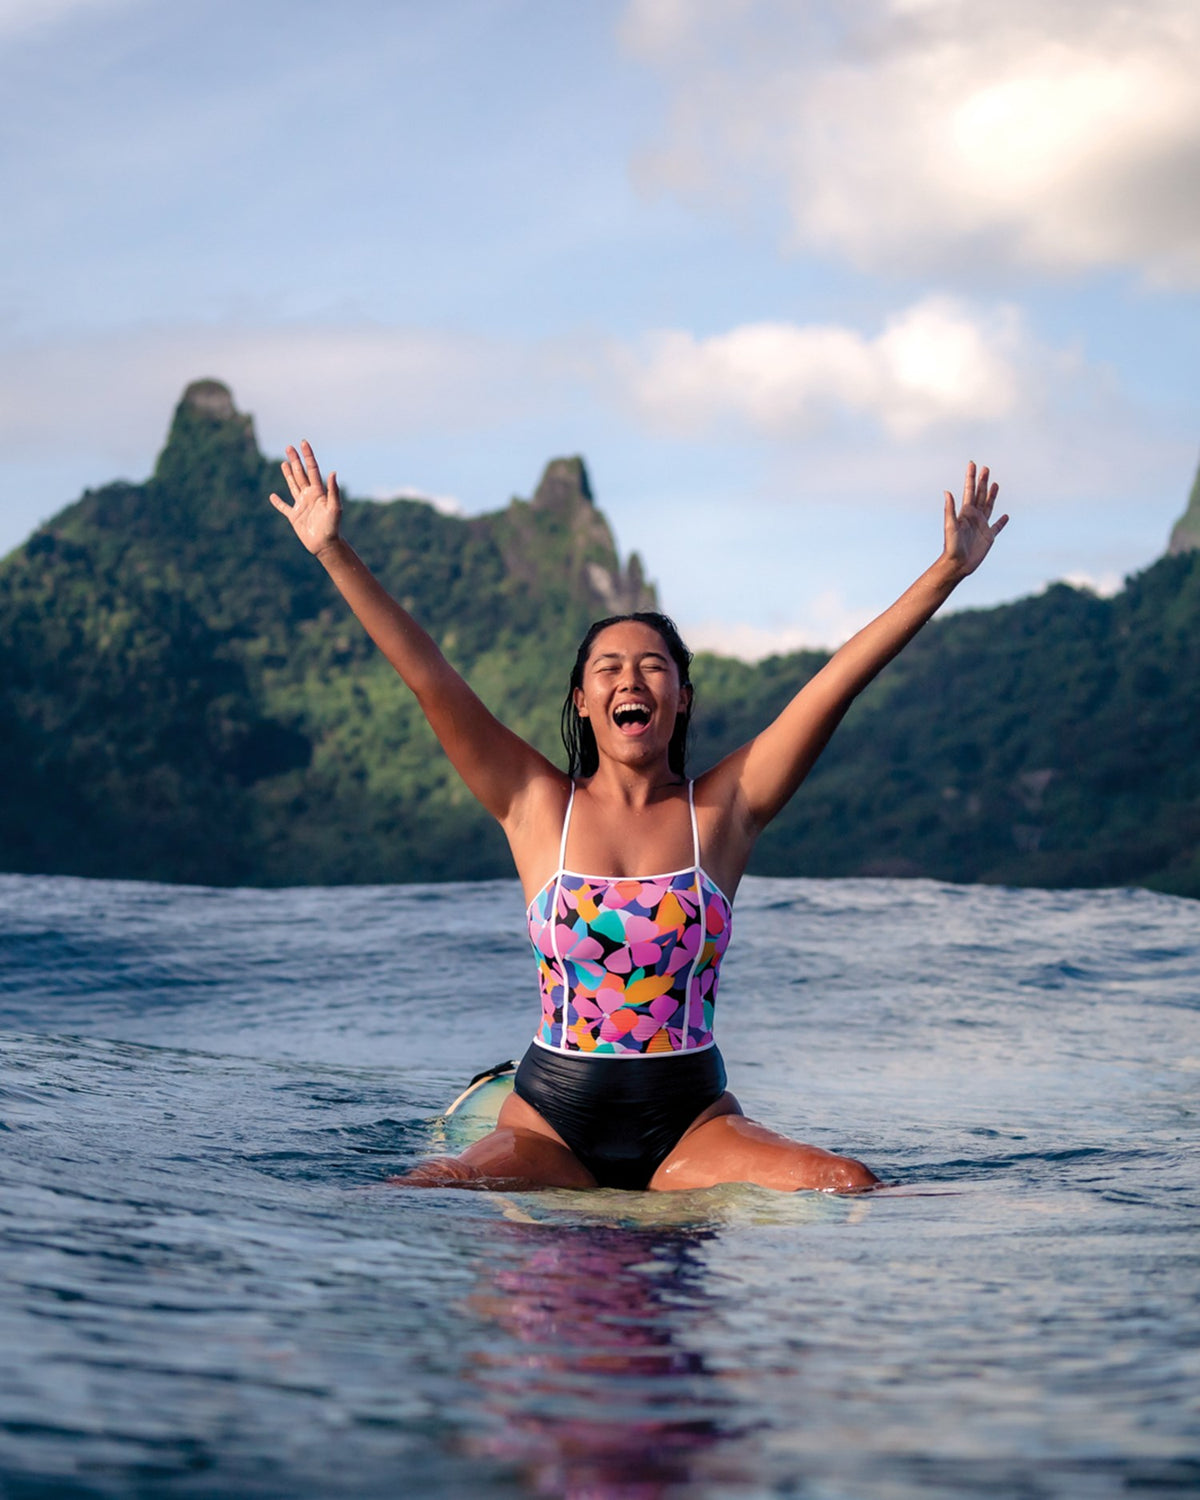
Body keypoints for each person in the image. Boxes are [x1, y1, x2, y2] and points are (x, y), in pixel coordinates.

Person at [271, 443, 1007, 1193]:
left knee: (848, 1181)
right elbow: (428, 677)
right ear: (584, 702)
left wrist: (946, 572)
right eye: (609, 667)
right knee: (425, 1188)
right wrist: (332, 550)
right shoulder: (535, 804)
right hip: (552, 1120)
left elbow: (833, 687)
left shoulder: (724, 810)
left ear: (681, 696)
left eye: (654, 665)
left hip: (689, 1121)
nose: (632, 678)